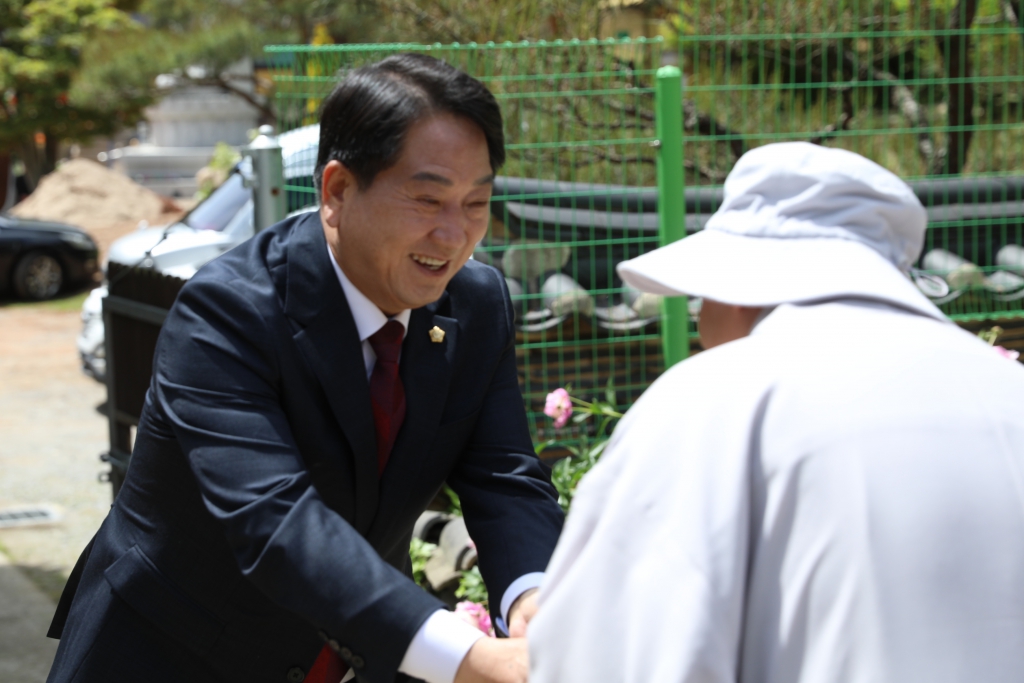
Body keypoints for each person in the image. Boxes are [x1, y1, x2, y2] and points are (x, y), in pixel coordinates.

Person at [47, 54, 563, 683]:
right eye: (427, 199)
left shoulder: (476, 305)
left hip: (354, 655)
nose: (454, 235)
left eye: (476, 204)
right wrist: (469, 657)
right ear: (338, 190)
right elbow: (276, 520)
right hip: (171, 655)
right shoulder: (226, 313)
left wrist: (535, 601)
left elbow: (504, 476)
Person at [529, 142, 1024, 683]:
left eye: (701, 298)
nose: (700, 324)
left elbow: (603, 656)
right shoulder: (1010, 390)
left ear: (738, 289)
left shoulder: (712, 402)